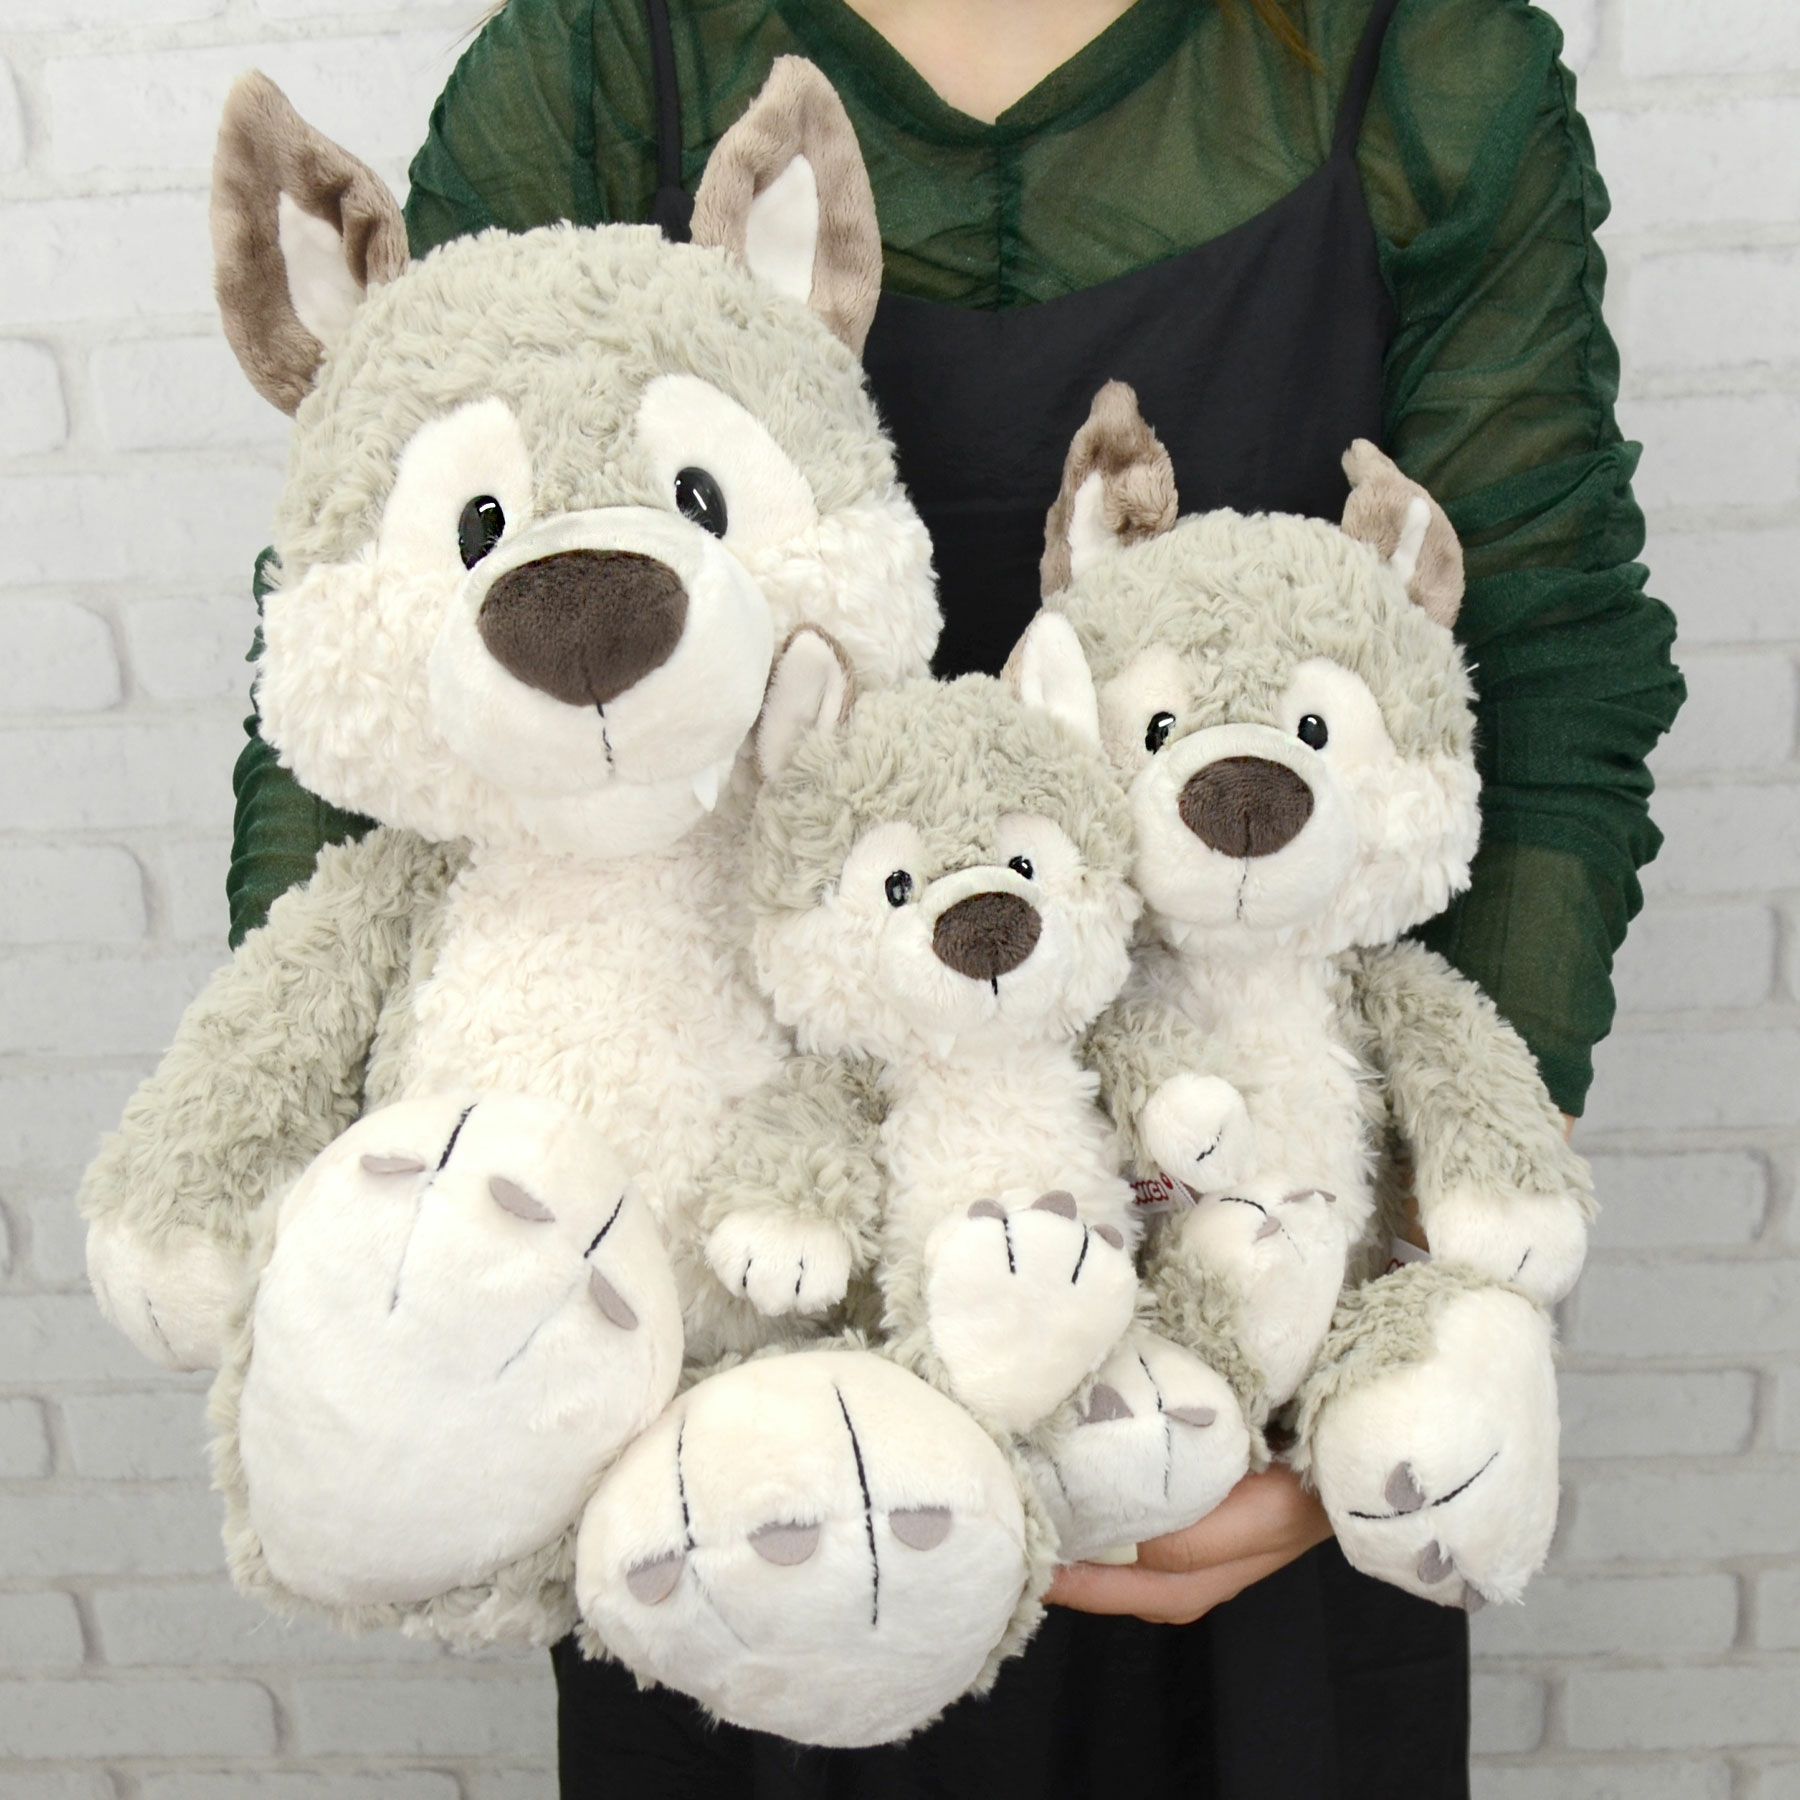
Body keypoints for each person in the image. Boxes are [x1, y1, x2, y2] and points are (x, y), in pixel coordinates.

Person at [223, 1, 1684, 1793]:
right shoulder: (607, 59)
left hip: (1256, 1306)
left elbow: (1544, 672)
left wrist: (1410, 1327)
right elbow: (376, 625)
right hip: (729, 1372)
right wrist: (367, 1279)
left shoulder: (1417, 63)